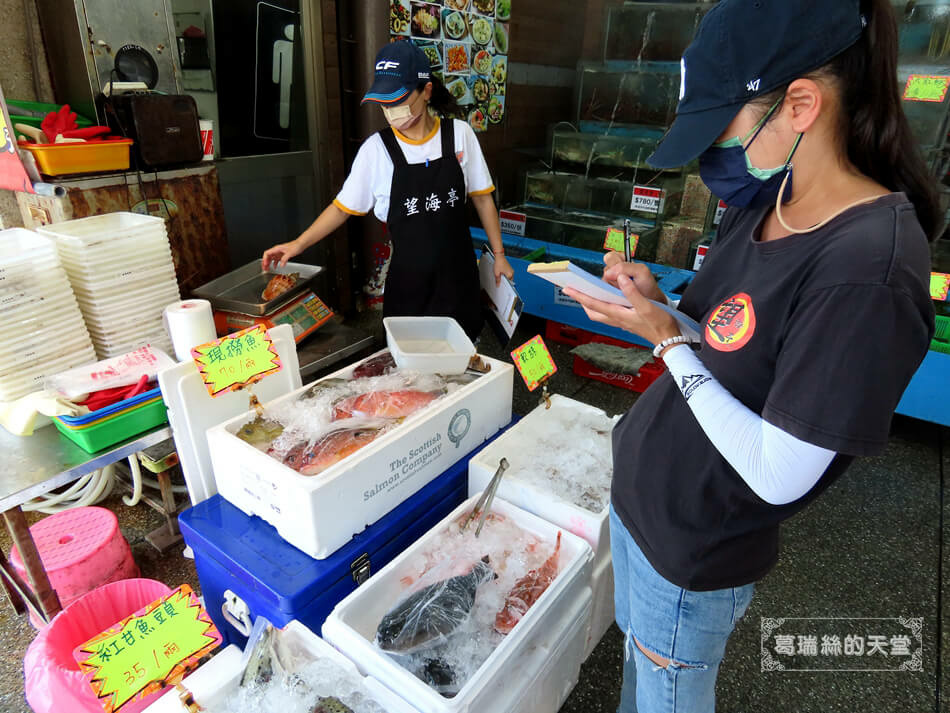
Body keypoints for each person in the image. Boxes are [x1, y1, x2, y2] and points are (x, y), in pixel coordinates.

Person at [563, 0, 937, 711]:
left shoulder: (868, 267)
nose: (712, 162)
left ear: (800, 105)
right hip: (647, 512)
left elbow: (777, 470)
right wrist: (654, 305)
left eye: (722, 130)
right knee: (639, 685)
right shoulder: (770, 197)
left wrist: (664, 340)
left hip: (695, 553)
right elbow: (722, 337)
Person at [262, 41, 513, 341]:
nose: (391, 110)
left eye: (399, 99)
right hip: (409, 290)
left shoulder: (459, 136)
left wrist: (499, 255)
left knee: (462, 365)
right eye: (384, 102)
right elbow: (342, 208)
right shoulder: (376, 150)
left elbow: (483, 199)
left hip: (458, 283)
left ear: (427, 91)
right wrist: (298, 244)